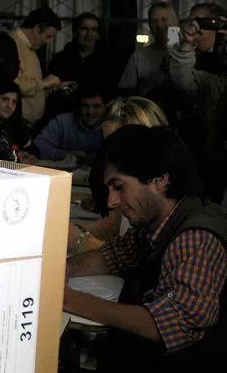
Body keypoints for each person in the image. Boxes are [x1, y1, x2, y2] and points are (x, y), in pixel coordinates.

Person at [64, 126, 227, 372]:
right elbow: (112, 256)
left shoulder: (196, 237)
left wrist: (66, 298)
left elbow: (168, 324)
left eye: (119, 186)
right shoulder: (160, 220)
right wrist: (58, 270)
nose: (112, 201)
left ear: (160, 180)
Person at [69, 96, 168, 254]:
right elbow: (114, 224)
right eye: (107, 144)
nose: (109, 155)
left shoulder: (159, 199)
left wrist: (80, 240)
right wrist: (72, 233)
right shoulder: (128, 181)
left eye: (117, 145)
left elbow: (135, 259)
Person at [167, 2, 227, 205]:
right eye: (193, 21)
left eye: (204, 22)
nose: (197, 27)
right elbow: (183, 81)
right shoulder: (186, 55)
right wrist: (186, 44)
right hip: (198, 148)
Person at [7, 7, 67, 127]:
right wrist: (45, 83)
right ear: (37, 29)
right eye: (48, 36)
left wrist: (53, 87)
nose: (49, 42)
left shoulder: (31, 47)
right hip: (17, 123)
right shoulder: (10, 44)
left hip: (31, 123)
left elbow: (32, 86)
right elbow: (17, 85)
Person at [46, 12, 113, 117]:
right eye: (84, 29)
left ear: (98, 34)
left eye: (94, 30)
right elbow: (52, 88)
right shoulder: (61, 58)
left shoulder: (107, 60)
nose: (89, 34)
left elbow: (110, 92)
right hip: (64, 115)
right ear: (75, 32)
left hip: (96, 117)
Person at [118, 1, 179, 96]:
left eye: (164, 20)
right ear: (150, 25)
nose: (159, 25)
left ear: (175, 22)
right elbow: (125, 91)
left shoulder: (187, 54)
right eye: (154, 21)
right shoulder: (139, 57)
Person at [32, 85, 105, 162]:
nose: (90, 112)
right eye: (85, 106)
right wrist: (65, 155)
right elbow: (39, 145)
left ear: (105, 107)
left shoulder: (111, 126)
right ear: (79, 107)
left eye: (96, 106)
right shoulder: (63, 122)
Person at [0, 82, 37, 164]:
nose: (9, 106)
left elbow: (33, 149)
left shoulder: (17, 125)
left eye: (14, 102)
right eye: (5, 100)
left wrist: (24, 154)